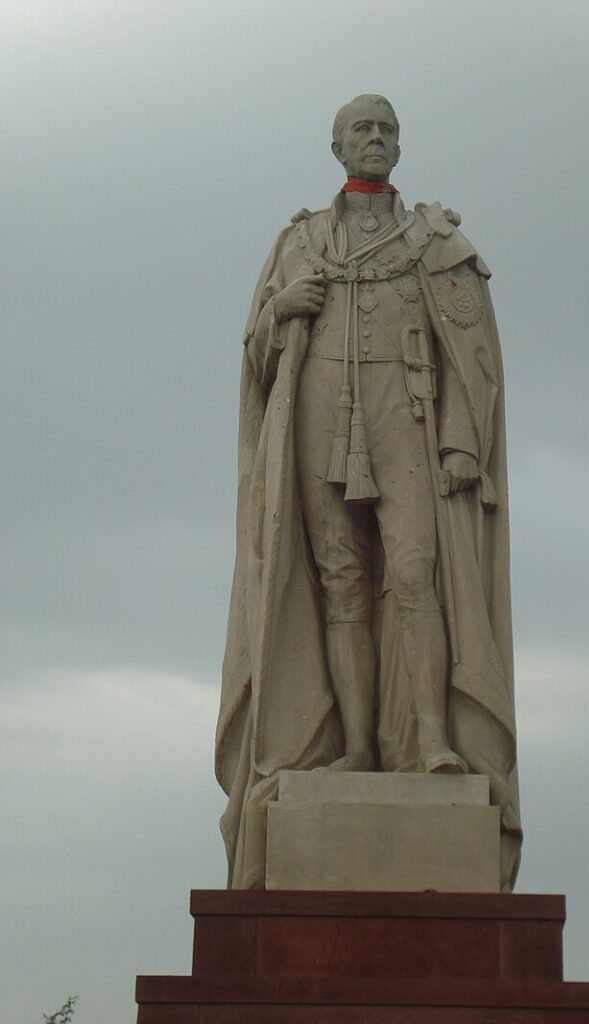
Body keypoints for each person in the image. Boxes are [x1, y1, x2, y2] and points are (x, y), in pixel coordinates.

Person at [216, 95, 522, 890]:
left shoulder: (434, 240)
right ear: (335, 146)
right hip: (320, 412)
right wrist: (281, 312)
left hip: (406, 414)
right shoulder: (299, 243)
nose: (377, 140)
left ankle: (428, 740)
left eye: (387, 130)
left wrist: (462, 437)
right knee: (342, 584)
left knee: (415, 573)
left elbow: (474, 350)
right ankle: (355, 745)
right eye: (363, 130)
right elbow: (254, 362)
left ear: (402, 145)